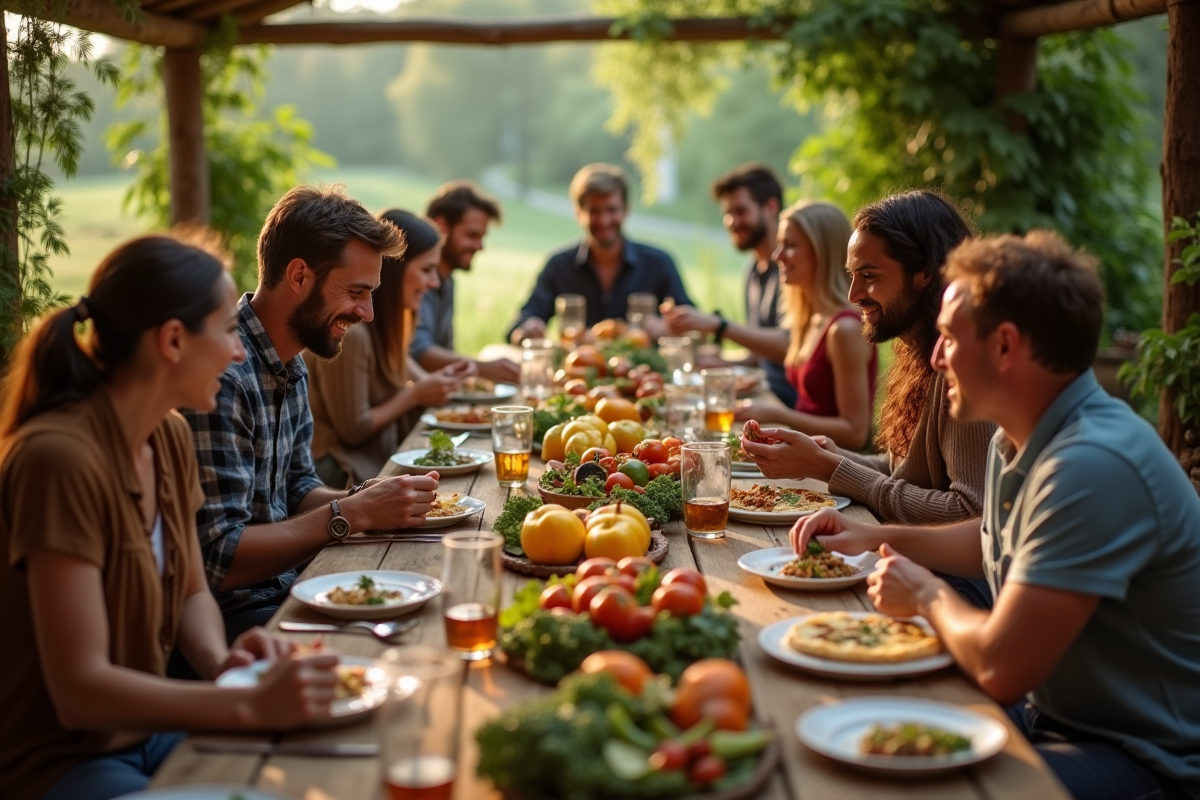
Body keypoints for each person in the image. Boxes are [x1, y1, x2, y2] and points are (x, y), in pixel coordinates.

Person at [793, 231, 1200, 800]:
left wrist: (929, 598)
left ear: (1006, 346)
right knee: (873, 704)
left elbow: (1001, 668)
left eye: (948, 338)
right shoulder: (1025, 436)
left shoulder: (1091, 466)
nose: (935, 358)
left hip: (1148, 758)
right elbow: (991, 541)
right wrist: (871, 536)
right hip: (1056, 717)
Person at [0, 235, 340, 800]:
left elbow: (189, 591)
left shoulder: (168, 435)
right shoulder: (58, 458)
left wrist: (223, 661)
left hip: (146, 736)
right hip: (57, 762)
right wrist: (244, 701)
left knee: (316, 767)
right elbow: (79, 690)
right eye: (228, 331)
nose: (239, 352)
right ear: (174, 340)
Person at [183, 185, 442, 641]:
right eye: (356, 291)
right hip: (232, 623)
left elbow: (298, 486)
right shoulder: (224, 377)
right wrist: (349, 513)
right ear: (299, 276)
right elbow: (218, 559)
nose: (366, 312)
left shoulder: (292, 363)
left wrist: (373, 498)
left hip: (289, 587)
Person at [742, 190, 995, 525]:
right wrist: (827, 455)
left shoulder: (962, 366)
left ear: (925, 273)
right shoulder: (915, 350)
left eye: (869, 276)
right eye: (852, 276)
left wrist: (830, 467)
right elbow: (900, 471)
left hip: (948, 577)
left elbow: (971, 514)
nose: (854, 295)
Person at [308, 210, 474, 487]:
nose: (434, 282)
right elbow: (353, 430)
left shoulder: (390, 332)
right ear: (394, 272)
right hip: (341, 476)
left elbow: (424, 385)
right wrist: (415, 396)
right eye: (426, 269)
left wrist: (452, 379)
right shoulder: (354, 335)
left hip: (379, 467)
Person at [730, 200, 875, 448]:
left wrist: (779, 415)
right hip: (806, 457)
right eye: (779, 246)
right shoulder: (808, 316)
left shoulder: (845, 328)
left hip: (836, 470)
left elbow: (855, 433)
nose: (777, 256)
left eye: (790, 246)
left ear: (822, 251)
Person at [507, 163, 694, 343]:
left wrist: (669, 325)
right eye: (594, 211)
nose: (603, 220)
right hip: (578, 371)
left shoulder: (658, 263)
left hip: (646, 372)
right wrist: (528, 328)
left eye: (612, 210)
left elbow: (694, 324)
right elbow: (520, 323)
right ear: (578, 212)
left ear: (626, 209)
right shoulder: (558, 266)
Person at [664, 163, 797, 407]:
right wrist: (724, 363)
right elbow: (759, 357)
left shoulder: (792, 271)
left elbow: (792, 348)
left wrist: (718, 326)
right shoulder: (752, 272)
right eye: (728, 213)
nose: (732, 221)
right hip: (763, 394)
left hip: (788, 403)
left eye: (741, 211)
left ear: (771, 207)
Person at [412, 181, 519, 384]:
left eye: (482, 237)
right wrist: (483, 368)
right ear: (441, 227)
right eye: (472, 235)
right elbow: (420, 352)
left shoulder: (448, 280)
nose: (480, 246)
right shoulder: (417, 280)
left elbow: (445, 351)